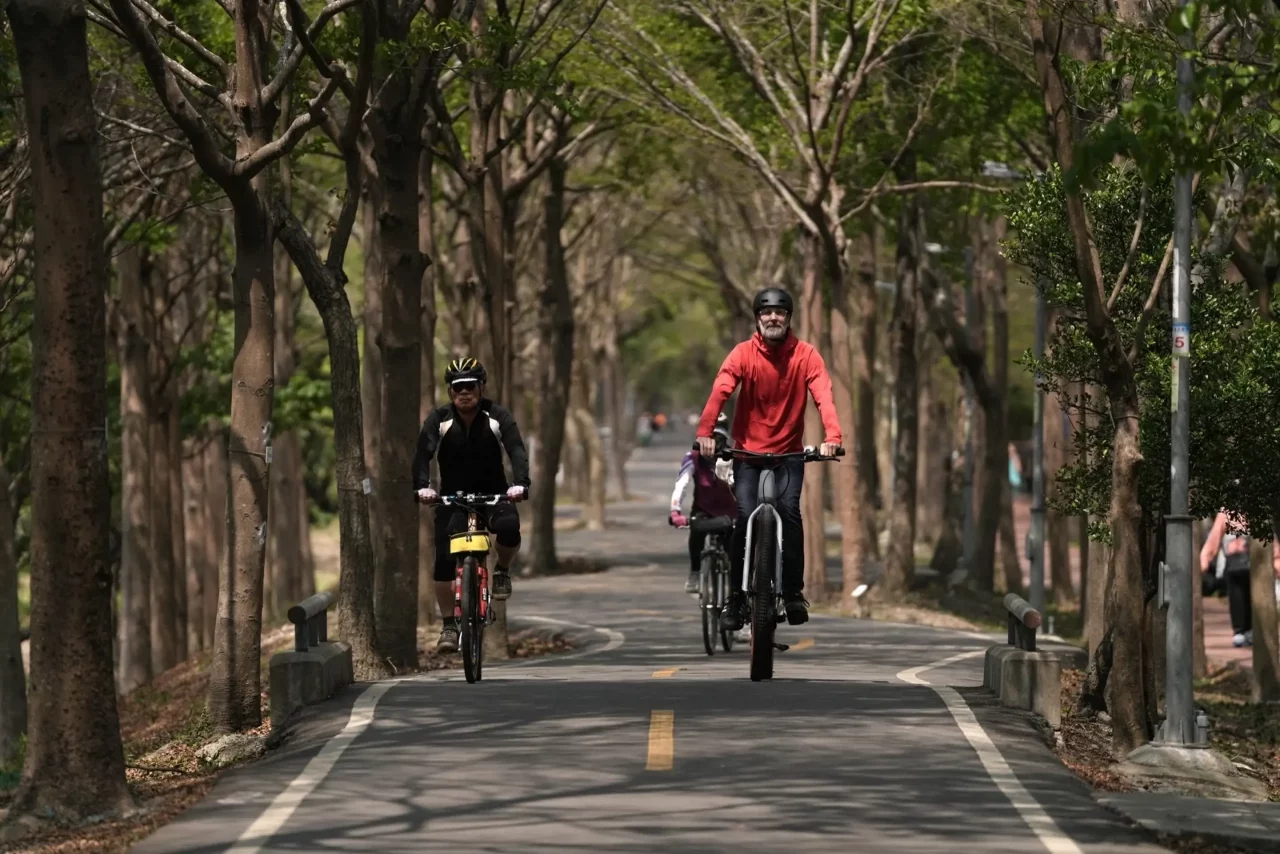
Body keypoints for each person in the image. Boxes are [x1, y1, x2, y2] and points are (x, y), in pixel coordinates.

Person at [695, 286, 842, 629]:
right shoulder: (742, 354)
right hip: (747, 453)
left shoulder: (806, 356)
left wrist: (832, 437)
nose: (773, 317)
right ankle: (734, 599)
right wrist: (705, 433)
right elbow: (721, 390)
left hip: (788, 454)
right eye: (766, 312)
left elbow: (824, 397)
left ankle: (792, 593)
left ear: (789, 318)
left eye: (780, 312)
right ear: (757, 318)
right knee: (744, 516)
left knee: (790, 513)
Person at [413, 357, 530, 654]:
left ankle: (502, 570)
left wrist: (521, 484)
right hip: (453, 497)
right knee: (442, 561)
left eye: (470, 386)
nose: (464, 393)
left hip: (494, 493)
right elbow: (422, 454)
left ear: (481, 388)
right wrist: (423, 487)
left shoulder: (497, 415)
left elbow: (516, 448)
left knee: (509, 528)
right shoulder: (439, 419)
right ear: (451, 392)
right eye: (458, 388)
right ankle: (449, 626)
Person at [669, 414, 738, 593]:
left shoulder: (735, 457)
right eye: (710, 439)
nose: (713, 446)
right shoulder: (692, 457)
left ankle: (736, 586)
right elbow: (681, 484)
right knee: (696, 533)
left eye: (719, 440)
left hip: (730, 514)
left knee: (735, 548)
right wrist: (675, 511)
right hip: (703, 510)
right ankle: (695, 572)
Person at [1200, 511, 1252, 647]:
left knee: (1252, 597)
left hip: (1253, 565)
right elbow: (1214, 538)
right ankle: (1239, 630)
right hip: (1233, 564)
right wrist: (1205, 560)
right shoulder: (1226, 513)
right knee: (1237, 596)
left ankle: (1251, 629)